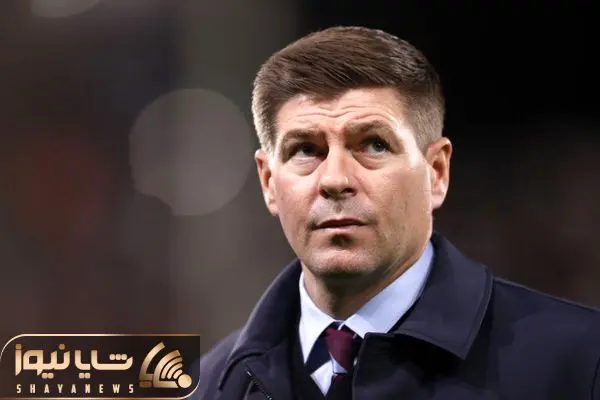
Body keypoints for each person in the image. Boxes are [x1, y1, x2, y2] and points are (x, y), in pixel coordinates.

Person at [197, 26, 600, 399]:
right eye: (306, 150)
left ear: (436, 172)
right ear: (268, 182)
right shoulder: (207, 387)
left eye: (374, 144)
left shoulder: (580, 361)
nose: (335, 179)